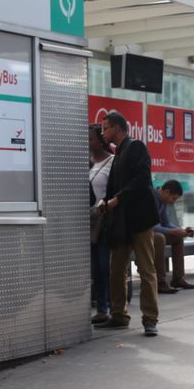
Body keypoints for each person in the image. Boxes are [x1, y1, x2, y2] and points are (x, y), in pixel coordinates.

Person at [97, 111, 161, 336]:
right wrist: (106, 201)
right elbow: (114, 186)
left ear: (117, 128)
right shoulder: (119, 153)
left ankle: (150, 319)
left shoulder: (136, 147)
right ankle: (119, 315)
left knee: (146, 270)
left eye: (105, 128)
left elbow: (142, 179)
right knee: (116, 269)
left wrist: (117, 199)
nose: (103, 133)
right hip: (121, 222)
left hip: (140, 220)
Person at [153, 180, 194, 292]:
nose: (173, 202)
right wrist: (172, 231)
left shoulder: (163, 201)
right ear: (166, 192)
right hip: (145, 232)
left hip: (156, 230)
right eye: (173, 198)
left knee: (177, 237)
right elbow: (150, 225)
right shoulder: (152, 197)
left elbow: (165, 223)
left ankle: (178, 278)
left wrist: (180, 230)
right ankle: (160, 282)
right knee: (160, 238)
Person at [88, 124, 115, 324]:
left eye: (90, 139)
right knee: (94, 266)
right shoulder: (85, 162)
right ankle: (101, 308)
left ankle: (113, 305)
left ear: (101, 140)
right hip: (86, 220)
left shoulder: (112, 162)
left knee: (106, 264)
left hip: (104, 220)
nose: (87, 143)